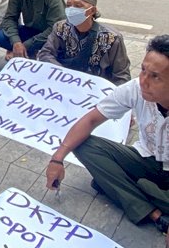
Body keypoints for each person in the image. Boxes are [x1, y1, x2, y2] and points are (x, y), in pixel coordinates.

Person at [45, 35, 169, 246]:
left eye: (155, 76)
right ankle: (155, 214)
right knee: (84, 144)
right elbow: (92, 119)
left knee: (105, 180)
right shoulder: (136, 88)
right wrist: (57, 158)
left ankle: (128, 190)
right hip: (147, 157)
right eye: (143, 71)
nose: (144, 81)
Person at [37, 0, 131, 85]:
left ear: (92, 10)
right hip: (63, 82)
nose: (71, 9)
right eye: (68, 5)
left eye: (78, 6)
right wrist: (64, 74)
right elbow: (46, 53)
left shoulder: (112, 38)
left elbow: (122, 76)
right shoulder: (60, 28)